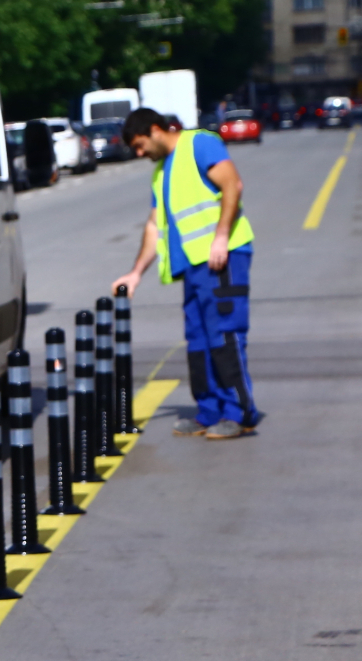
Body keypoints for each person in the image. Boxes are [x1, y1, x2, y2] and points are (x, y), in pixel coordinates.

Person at [111, 108, 260, 439]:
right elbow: (154, 225)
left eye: (139, 145)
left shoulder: (200, 145)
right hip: (193, 267)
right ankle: (208, 411)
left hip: (223, 258)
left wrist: (221, 236)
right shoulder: (161, 172)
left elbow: (232, 185)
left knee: (224, 334)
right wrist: (136, 273)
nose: (139, 154)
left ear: (154, 130)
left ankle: (238, 412)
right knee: (198, 340)